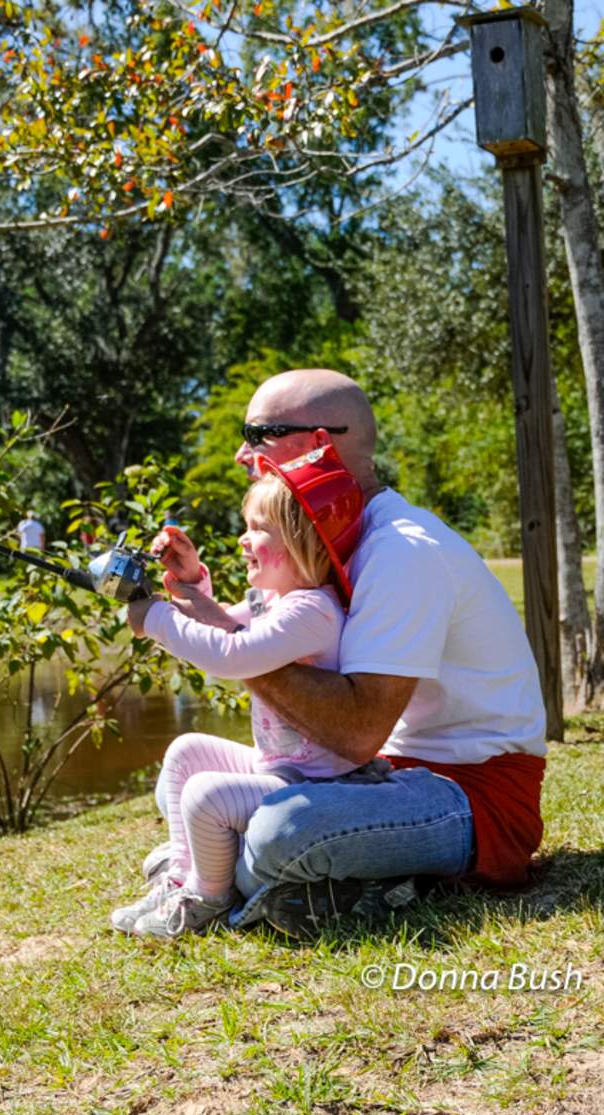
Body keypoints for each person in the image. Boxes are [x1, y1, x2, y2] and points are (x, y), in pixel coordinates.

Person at [139, 368, 547, 939]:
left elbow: (356, 730)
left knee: (279, 831)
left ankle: (233, 876)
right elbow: (259, 630)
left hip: (469, 793)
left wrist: (243, 654)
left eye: (258, 435)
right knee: (184, 775)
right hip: (369, 775)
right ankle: (277, 880)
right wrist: (197, 600)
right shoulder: (333, 539)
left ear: (319, 444)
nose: (240, 453)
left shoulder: (401, 551)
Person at [110, 444, 365, 939]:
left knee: (207, 795)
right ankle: (182, 879)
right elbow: (225, 626)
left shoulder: (311, 610)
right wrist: (190, 583)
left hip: (319, 784)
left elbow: (234, 655)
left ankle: (207, 899)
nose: (243, 540)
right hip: (282, 768)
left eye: (257, 530)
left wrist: (157, 618)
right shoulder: (279, 600)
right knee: (186, 751)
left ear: (299, 542)